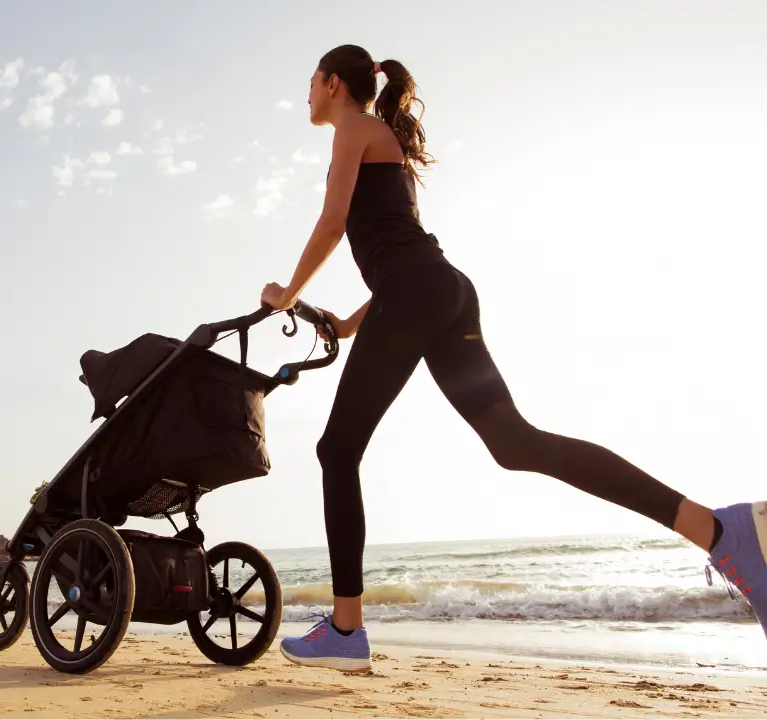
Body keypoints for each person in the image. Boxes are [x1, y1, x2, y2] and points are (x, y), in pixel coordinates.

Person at [258, 43, 767, 672]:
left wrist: (288, 292)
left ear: (333, 83)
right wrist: (352, 322)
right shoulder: (382, 140)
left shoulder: (355, 129)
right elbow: (404, 251)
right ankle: (719, 530)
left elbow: (334, 222)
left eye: (311, 81)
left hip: (419, 292)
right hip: (441, 291)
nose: (307, 93)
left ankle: (345, 627)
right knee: (516, 443)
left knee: (336, 451)